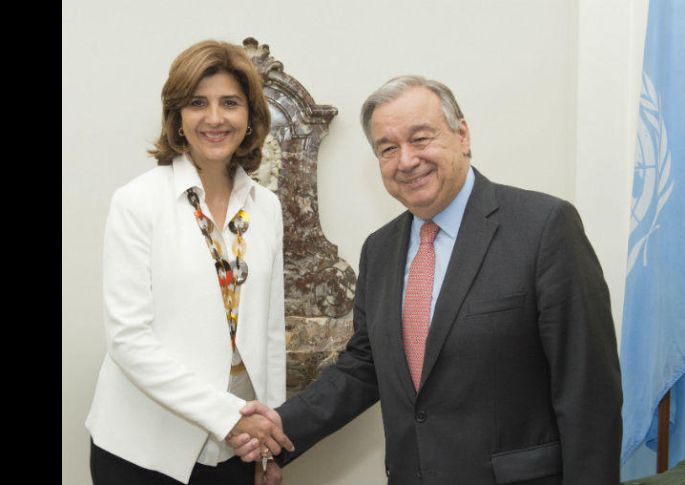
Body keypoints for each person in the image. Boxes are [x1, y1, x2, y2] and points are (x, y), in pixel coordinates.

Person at [231, 75, 623, 484]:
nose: (406, 160)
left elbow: (589, 394)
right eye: (388, 148)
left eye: (420, 139)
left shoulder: (543, 228)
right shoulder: (379, 250)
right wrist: (277, 429)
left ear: (462, 134)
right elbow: (363, 367)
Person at [85, 40, 293, 485]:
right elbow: (128, 340)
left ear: (251, 118)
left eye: (230, 103)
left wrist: (268, 443)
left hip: (238, 449)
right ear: (177, 116)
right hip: (142, 450)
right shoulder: (137, 202)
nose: (215, 118)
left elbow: (271, 333)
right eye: (198, 103)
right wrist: (229, 417)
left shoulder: (267, 207)